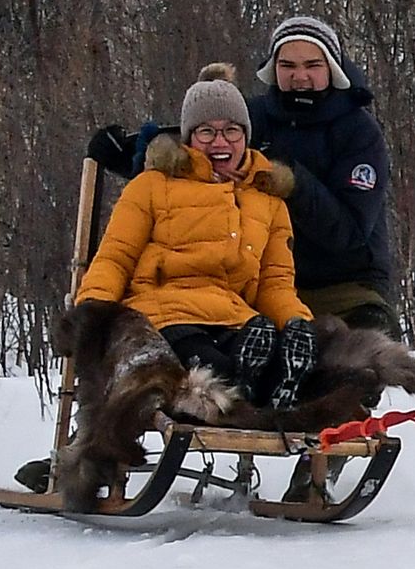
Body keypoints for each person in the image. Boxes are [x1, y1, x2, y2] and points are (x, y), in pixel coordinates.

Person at [73, 64, 319, 408]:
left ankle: (267, 382)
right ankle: (246, 387)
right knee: (212, 366)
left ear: (246, 136)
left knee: (262, 347)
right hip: (166, 314)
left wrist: (296, 322)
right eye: (206, 132)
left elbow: (274, 283)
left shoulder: (267, 201)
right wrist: (94, 309)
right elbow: (116, 256)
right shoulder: (152, 186)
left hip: (235, 319)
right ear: (189, 138)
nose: (220, 142)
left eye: (231, 130)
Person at [246, 12, 401, 335]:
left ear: (331, 68)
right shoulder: (250, 119)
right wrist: (149, 153)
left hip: (346, 287)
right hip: (261, 283)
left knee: (356, 359)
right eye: (288, 66)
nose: (299, 77)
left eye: (312, 65)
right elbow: (200, 153)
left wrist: (294, 185)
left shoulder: (359, 132)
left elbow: (350, 233)